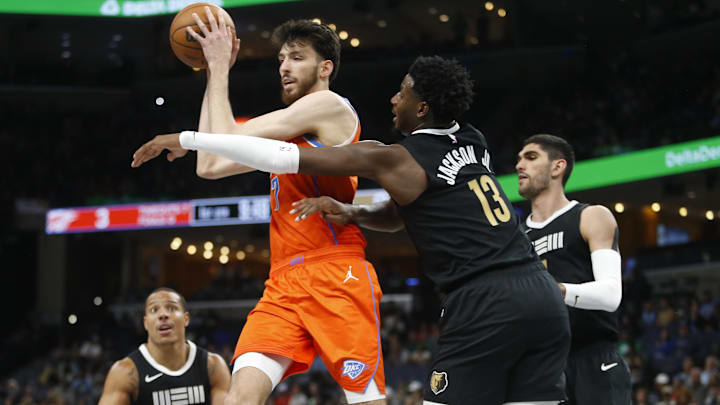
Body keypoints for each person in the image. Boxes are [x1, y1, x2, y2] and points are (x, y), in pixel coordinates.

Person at [132, 55, 570, 405]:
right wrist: (355, 212)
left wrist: (188, 139)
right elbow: (407, 213)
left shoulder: (396, 157)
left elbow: (286, 158)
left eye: (402, 92)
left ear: (421, 107)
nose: (392, 99)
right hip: (540, 291)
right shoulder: (473, 139)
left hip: (482, 299)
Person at [141, 10, 386, 405]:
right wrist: (213, 73)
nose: (285, 67)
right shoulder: (288, 131)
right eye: (281, 60)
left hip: (334, 272)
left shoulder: (331, 105)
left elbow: (219, 138)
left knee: (366, 401)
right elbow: (210, 163)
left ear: (325, 67)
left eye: (296, 57)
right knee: (240, 397)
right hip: (282, 284)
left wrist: (219, 68)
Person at [515, 134, 631, 404]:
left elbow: (611, 295)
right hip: (543, 369)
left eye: (531, 158)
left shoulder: (591, 216)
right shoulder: (516, 240)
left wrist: (555, 291)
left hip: (594, 359)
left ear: (558, 167)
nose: (520, 165)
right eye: (519, 159)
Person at [98, 287, 230, 404]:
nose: (163, 315)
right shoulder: (125, 372)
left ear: (186, 319)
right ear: (145, 323)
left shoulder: (213, 366)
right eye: (154, 310)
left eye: (171, 308)